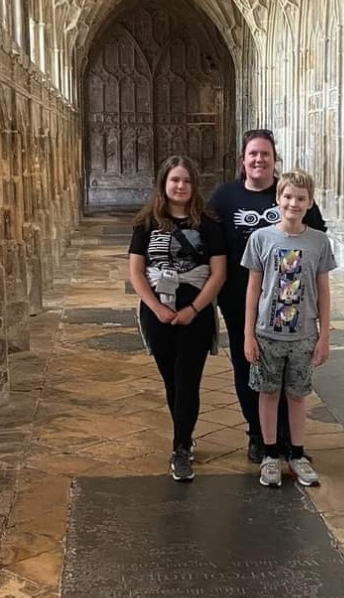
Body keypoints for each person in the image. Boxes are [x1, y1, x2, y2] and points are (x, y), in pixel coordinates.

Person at [207, 129, 328, 465]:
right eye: (253, 154)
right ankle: (258, 436)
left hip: (290, 305)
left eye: (265, 154)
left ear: (275, 159)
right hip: (240, 301)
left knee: (290, 373)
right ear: (243, 160)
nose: (259, 160)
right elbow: (211, 243)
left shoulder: (290, 193)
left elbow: (315, 239)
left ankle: (288, 440)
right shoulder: (224, 197)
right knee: (250, 368)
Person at [127, 155, 227, 483]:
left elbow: (218, 273)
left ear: (193, 185)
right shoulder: (146, 223)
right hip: (158, 311)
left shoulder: (209, 224)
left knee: (188, 379)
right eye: (174, 180)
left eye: (186, 180)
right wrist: (157, 308)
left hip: (194, 311)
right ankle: (184, 434)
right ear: (164, 184)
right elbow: (136, 271)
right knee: (171, 379)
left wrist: (194, 309)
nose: (180, 186)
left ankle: (181, 447)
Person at [242, 170, 336, 487]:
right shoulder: (261, 239)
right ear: (278, 199)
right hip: (267, 333)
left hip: (303, 335)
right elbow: (253, 289)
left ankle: (296, 453)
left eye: (300, 198)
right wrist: (247, 334)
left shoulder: (319, 241)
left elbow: (323, 290)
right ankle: (270, 455)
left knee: (297, 395)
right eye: (288, 197)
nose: (293, 203)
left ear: (309, 203)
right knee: (268, 393)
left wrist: (324, 336)